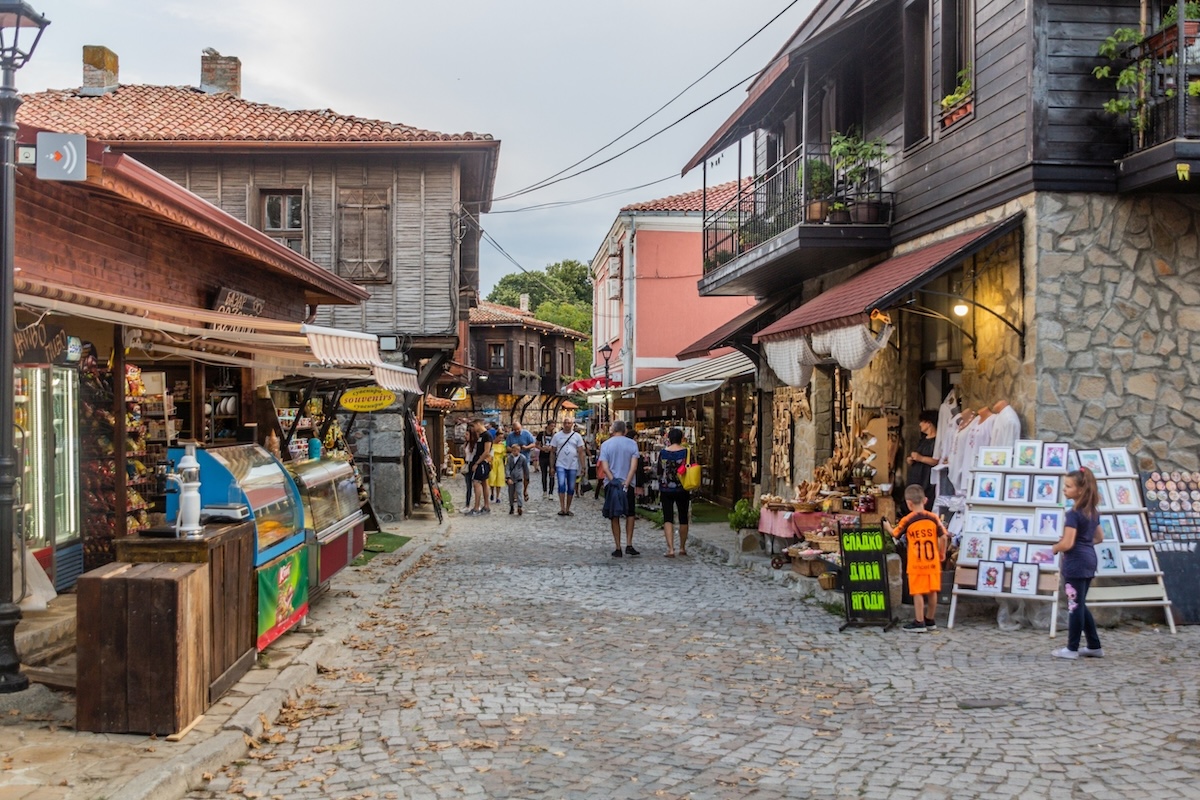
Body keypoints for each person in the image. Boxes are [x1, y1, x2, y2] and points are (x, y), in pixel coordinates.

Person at [1051, 468, 1105, 659]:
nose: (1064, 489)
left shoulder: (1073, 514)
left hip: (1075, 563)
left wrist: (1055, 547)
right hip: (1089, 560)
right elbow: (1099, 537)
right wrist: (1084, 542)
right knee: (1080, 603)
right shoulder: (1092, 511)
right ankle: (1094, 645)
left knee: (1074, 606)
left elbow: (1068, 543)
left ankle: (1072, 648)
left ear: (1080, 490)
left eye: (1068, 486)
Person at [883, 484, 949, 632]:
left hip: (917, 563)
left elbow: (895, 534)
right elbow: (944, 536)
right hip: (932, 562)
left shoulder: (908, 520)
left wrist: (887, 527)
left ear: (909, 503)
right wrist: (942, 553)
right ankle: (930, 619)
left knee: (918, 592)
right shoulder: (933, 518)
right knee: (932, 591)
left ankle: (919, 622)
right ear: (925, 500)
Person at [598, 419, 641, 558]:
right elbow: (633, 467)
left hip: (612, 484)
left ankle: (618, 547)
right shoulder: (632, 444)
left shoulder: (605, 445)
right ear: (625, 430)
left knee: (614, 515)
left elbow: (605, 467)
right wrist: (626, 484)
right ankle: (629, 543)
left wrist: (613, 481)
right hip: (627, 483)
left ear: (613, 430)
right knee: (630, 514)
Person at [657, 427, 691, 557]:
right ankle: (682, 547)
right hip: (682, 487)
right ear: (681, 438)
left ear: (669, 439)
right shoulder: (686, 452)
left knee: (668, 518)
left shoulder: (663, 453)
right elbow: (692, 467)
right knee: (683, 517)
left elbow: (659, 471)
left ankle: (670, 548)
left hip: (666, 488)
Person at [549, 418, 585, 516]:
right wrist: (552, 467)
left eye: (569, 423)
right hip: (560, 464)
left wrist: (583, 466)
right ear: (563, 424)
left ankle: (568, 508)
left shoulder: (577, 436)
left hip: (573, 465)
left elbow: (581, 452)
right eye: (565, 423)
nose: (567, 425)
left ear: (572, 424)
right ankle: (562, 507)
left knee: (571, 487)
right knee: (561, 484)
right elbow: (552, 452)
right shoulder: (557, 436)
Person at [906, 410, 939, 511]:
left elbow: (937, 460)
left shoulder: (937, 441)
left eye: (922, 421)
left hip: (927, 479)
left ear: (929, 423)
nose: (920, 424)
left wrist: (920, 458)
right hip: (917, 477)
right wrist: (911, 459)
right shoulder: (923, 440)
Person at [466, 420, 493, 515]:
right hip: (480, 461)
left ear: (478, 424)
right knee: (484, 483)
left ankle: (477, 507)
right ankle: (486, 506)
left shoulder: (487, 436)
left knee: (477, 483)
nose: (473, 429)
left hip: (481, 463)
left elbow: (486, 451)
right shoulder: (481, 436)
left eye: (474, 426)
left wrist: (477, 463)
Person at [505, 421, 536, 502]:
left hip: (525, 459)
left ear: (521, 427)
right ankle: (515, 494)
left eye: (518, 429)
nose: (516, 431)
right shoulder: (510, 436)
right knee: (515, 477)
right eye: (515, 430)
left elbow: (533, 444)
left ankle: (525, 490)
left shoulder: (526, 434)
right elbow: (507, 447)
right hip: (514, 461)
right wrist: (514, 450)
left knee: (526, 477)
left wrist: (526, 447)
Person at [488, 425, 507, 504]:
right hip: (493, 461)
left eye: (502, 438)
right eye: (499, 437)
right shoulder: (491, 444)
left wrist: (505, 461)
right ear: (496, 436)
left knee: (499, 479)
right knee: (492, 478)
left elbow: (504, 454)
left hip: (500, 462)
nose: (500, 439)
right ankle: (492, 492)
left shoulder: (502, 445)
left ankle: (498, 496)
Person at [505, 445, 526, 515]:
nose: (515, 452)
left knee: (519, 492)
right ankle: (511, 506)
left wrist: (526, 477)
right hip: (511, 477)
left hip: (519, 477)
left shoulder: (522, 458)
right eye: (513, 451)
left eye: (516, 450)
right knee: (511, 493)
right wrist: (508, 477)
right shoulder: (509, 458)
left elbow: (525, 468)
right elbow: (507, 467)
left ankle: (520, 506)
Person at [537, 424, 556, 496]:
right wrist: (542, 449)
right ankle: (544, 490)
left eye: (554, 426)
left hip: (552, 455)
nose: (553, 427)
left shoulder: (555, 435)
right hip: (543, 456)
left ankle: (551, 492)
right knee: (544, 474)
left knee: (552, 473)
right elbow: (537, 444)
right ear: (547, 426)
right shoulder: (541, 434)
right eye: (551, 426)